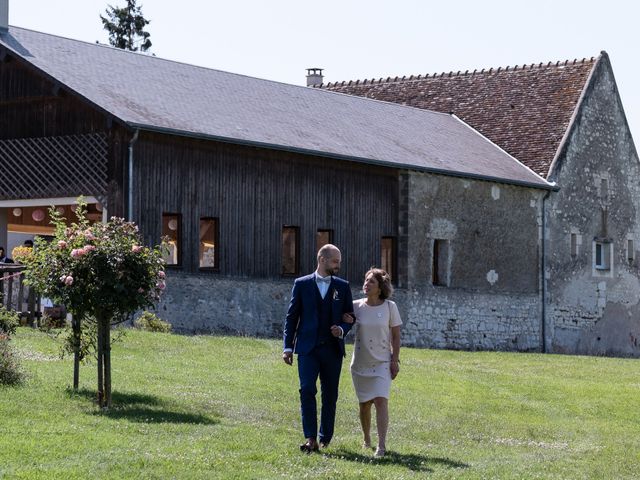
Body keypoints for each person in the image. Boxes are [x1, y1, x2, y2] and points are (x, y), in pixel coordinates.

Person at [282, 244, 355, 453]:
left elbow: (350, 317)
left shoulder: (343, 286)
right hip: (307, 348)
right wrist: (287, 347)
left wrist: (341, 329)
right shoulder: (301, 284)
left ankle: (325, 438)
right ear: (322, 259)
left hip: (332, 350)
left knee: (330, 394)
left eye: (339, 262)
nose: (338, 266)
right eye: (335, 261)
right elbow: (291, 317)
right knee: (306, 390)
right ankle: (310, 438)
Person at [345, 268, 402, 458]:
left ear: (380, 288)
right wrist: (344, 320)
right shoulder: (355, 306)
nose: (366, 284)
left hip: (382, 363)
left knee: (381, 401)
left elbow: (396, 336)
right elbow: (342, 320)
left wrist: (395, 360)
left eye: (372, 282)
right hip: (360, 363)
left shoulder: (390, 307)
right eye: (366, 280)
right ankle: (366, 438)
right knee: (364, 405)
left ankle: (382, 445)